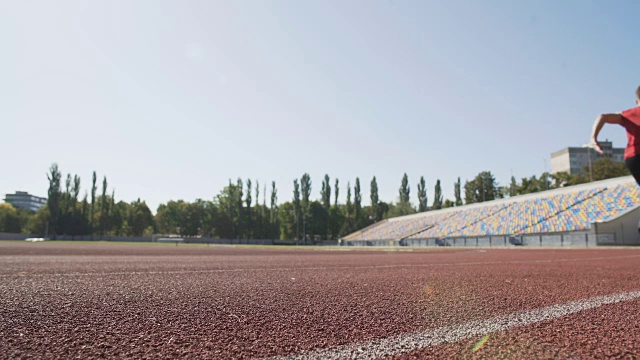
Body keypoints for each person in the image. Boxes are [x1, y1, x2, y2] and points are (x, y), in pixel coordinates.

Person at [591, 85, 640, 185]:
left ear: (637, 101)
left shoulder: (629, 114)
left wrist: (593, 138)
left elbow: (603, 117)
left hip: (633, 158)